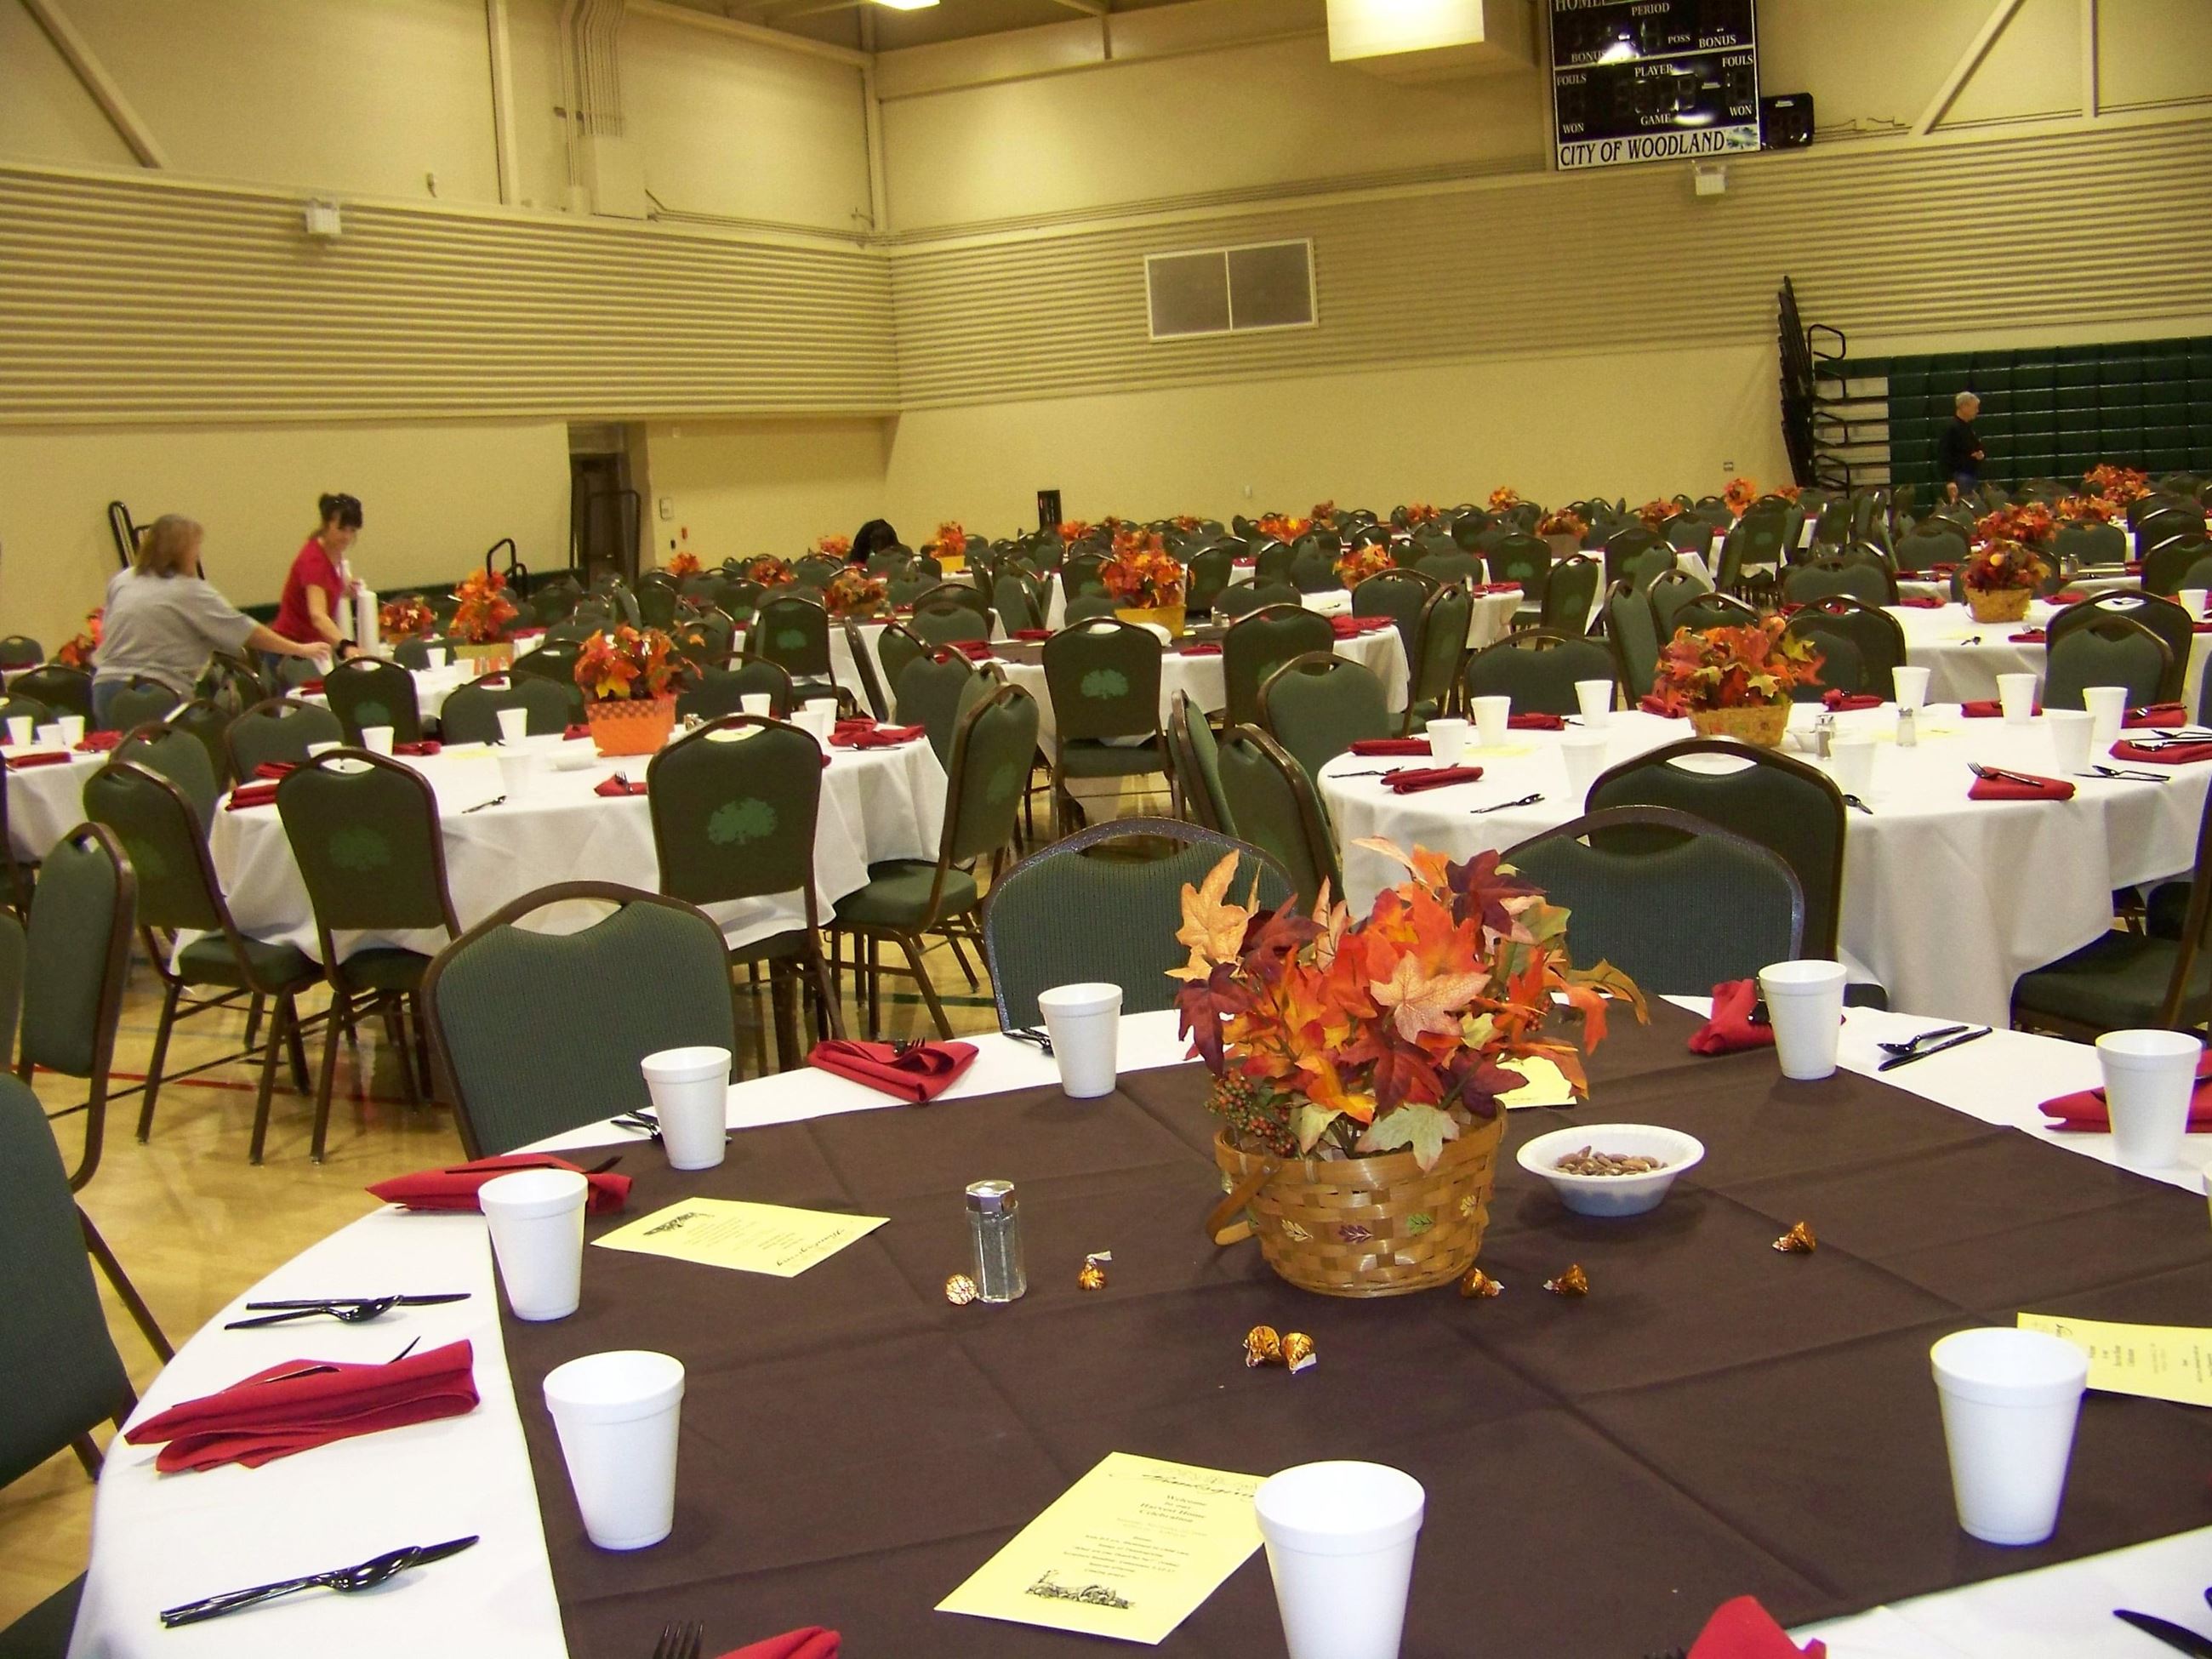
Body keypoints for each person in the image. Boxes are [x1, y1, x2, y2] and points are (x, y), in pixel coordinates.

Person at [91, 515, 328, 728]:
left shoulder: (123, 579)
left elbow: (108, 626)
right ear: (181, 551)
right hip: (154, 692)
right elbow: (245, 630)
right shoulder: (189, 590)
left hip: (105, 687)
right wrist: (298, 648)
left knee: (121, 766)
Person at [272, 492, 367, 663]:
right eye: (341, 529)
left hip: (312, 647)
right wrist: (346, 645)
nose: (347, 536)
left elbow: (326, 586)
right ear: (326, 524)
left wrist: (344, 589)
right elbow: (318, 616)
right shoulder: (314, 560)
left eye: (352, 530)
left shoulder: (333, 552)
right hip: (293, 650)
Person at [1938, 391, 1984, 500]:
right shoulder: (1951, 428)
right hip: (1960, 477)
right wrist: (1949, 481)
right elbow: (1944, 455)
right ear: (1964, 406)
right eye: (1975, 408)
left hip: (1970, 475)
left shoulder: (1968, 427)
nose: (1977, 411)